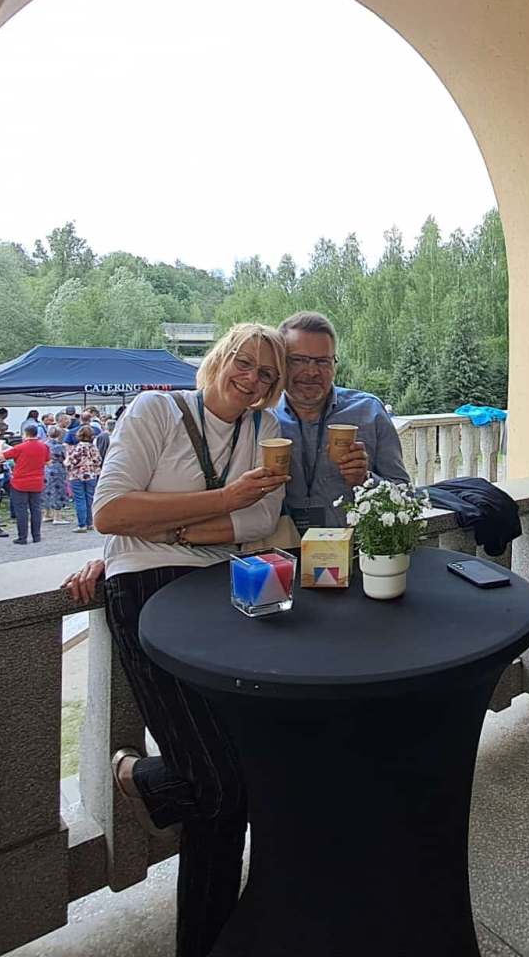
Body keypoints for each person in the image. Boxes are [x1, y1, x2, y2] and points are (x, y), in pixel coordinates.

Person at [59, 323, 290, 956]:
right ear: (221, 358)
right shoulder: (156, 410)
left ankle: (148, 780)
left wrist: (171, 527)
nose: (252, 379)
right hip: (147, 587)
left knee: (238, 772)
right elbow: (110, 512)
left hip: (222, 588)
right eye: (245, 362)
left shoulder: (265, 431)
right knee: (224, 785)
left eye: (267, 374)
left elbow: (261, 519)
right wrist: (222, 501)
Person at [272, 311, 409, 530]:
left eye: (322, 361)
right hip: (282, 548)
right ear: (280, 362)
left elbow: (405, 496)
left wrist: (365, 479)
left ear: (334, 364)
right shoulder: (263, 418)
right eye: (298, 360)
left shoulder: (369, 411)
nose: (312, 371)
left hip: (355, 547)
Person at [5, 422, 51, 544]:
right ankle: (36, 536)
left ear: (25, 434)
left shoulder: (20, 447)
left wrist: (0, 447)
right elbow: (47, 461)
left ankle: (22, 537)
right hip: (37, 481)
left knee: (21, 510)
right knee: (36, 509)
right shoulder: (44, 447)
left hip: (20, 482)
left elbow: (3, 457)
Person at [65, 424, 103, 532]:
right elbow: (98, 461)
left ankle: (82, 525)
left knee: (80, 499)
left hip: (77, 476)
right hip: (91, 475)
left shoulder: (78, 448)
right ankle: (90, 523)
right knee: (90, 499)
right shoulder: (93, 448)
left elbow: (71, 461)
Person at [42, 424, 69, 525]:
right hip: (57, 469)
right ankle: (57, 517)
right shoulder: (60, 446)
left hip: (46, 469)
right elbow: (64, 458)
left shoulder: (44, 445)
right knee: (58, 491)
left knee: (46, 491)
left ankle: (46, 514)